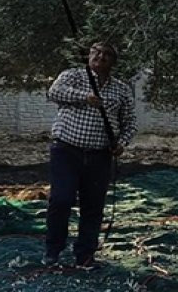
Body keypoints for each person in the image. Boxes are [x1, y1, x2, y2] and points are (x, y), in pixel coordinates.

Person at [44, 40, 137, 269]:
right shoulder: (73, 76)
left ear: (113, 61)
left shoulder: (121, 89)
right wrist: (84, 96)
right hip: (67, 151)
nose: (100, 57)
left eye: (107, 54)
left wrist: (122, 143)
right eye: (96, 52)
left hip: (100, 156)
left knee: (93, 207)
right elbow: (54, 92)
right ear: (89, 55)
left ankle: (84, 255)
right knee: (61, 200)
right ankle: (53, 250)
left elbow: (130, 122)